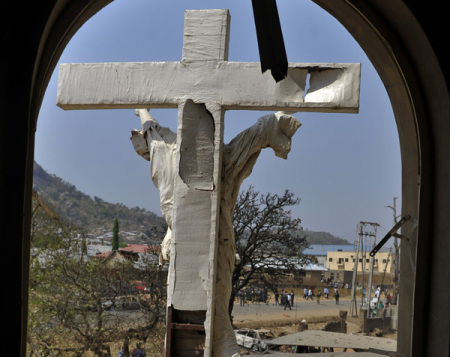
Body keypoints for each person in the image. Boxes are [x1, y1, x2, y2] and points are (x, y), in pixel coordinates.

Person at [132, 108, 301, 354]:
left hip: (214, 251)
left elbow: (153, 137)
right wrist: (143, 112)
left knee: (216, 314)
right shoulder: (175, 156)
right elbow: (154, 137)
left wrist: (143, 112)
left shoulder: (212, 159)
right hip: (190, 264)